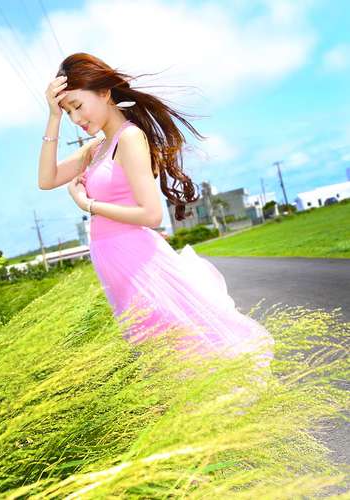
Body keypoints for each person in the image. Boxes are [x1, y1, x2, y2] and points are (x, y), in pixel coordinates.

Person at [39, 52, 274, 369]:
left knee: (185, 359)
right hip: (119, 274)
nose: (76, 119)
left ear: (104, 92)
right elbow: (47, 179)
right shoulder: (95, 149)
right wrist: (53, 117)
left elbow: (151, 215)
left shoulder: (129, 138)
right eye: (68, 112)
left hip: (141, 266)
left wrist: (88, 205)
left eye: (77, 106)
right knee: (164, 365)